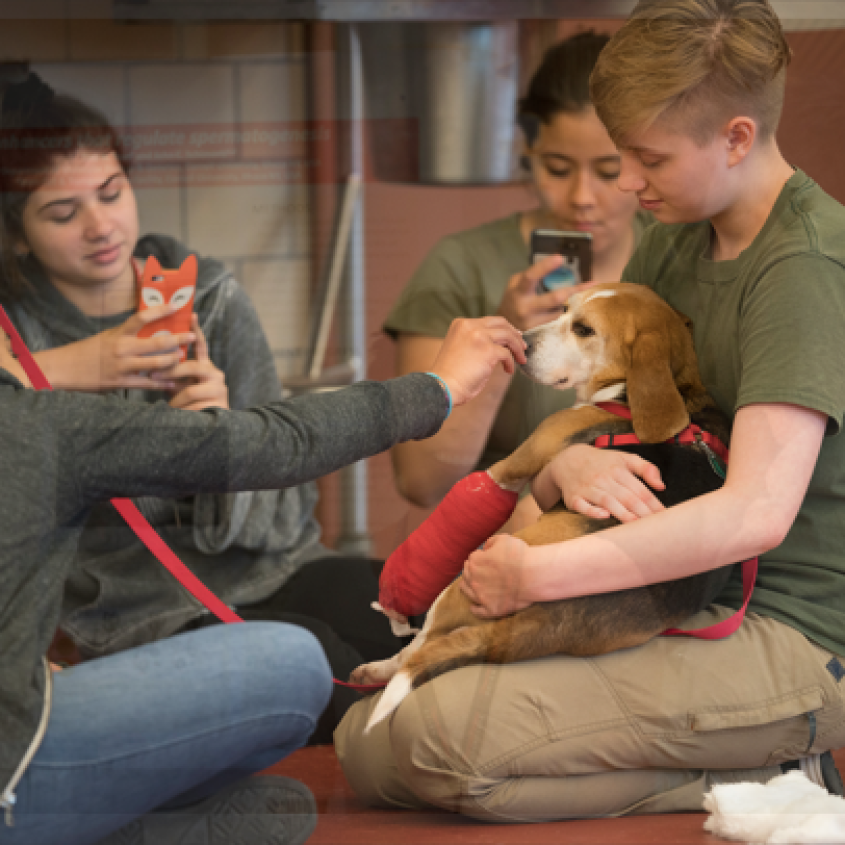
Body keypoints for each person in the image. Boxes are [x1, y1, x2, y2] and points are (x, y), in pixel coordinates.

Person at [336, 0, 845, 822]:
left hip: (789, 636)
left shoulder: (804, 269)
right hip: (657, 592)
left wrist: (539, 571)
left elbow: (753, 511)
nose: (627, 187)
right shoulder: (677, 233)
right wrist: (566, 462)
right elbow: (628, 420)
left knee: (431, 738)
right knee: (367, 739)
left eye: (645, 160)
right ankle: (737, 778)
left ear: (736, 138)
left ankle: (783, 771)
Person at [0, 252, 524, 845]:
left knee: (285, 783)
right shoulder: (37, 424)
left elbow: (262, 460)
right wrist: (439, 388)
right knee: (301, 660)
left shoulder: (212, 296)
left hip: (44, 714)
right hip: (20, 759)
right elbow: (271, 446)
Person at [0, 71, 419, 744]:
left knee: (414, 617)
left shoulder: (207, 293)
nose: (101, 226)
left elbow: (283, 508)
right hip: (130, 602)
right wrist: (55, 372)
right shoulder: (16, 332)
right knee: (322, 667)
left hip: (270, 562)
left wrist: (223, 441)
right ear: (16, 234)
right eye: (61, 212)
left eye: (112, 193)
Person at [385, 32, 657, 531]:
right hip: (500, 541)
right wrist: (504, 341)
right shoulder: (459, 265)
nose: (582, 197)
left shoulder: (672, 258)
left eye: (608, 170)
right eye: (557, 168)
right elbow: (421, 481)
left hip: (639, 532)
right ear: (527, 152)